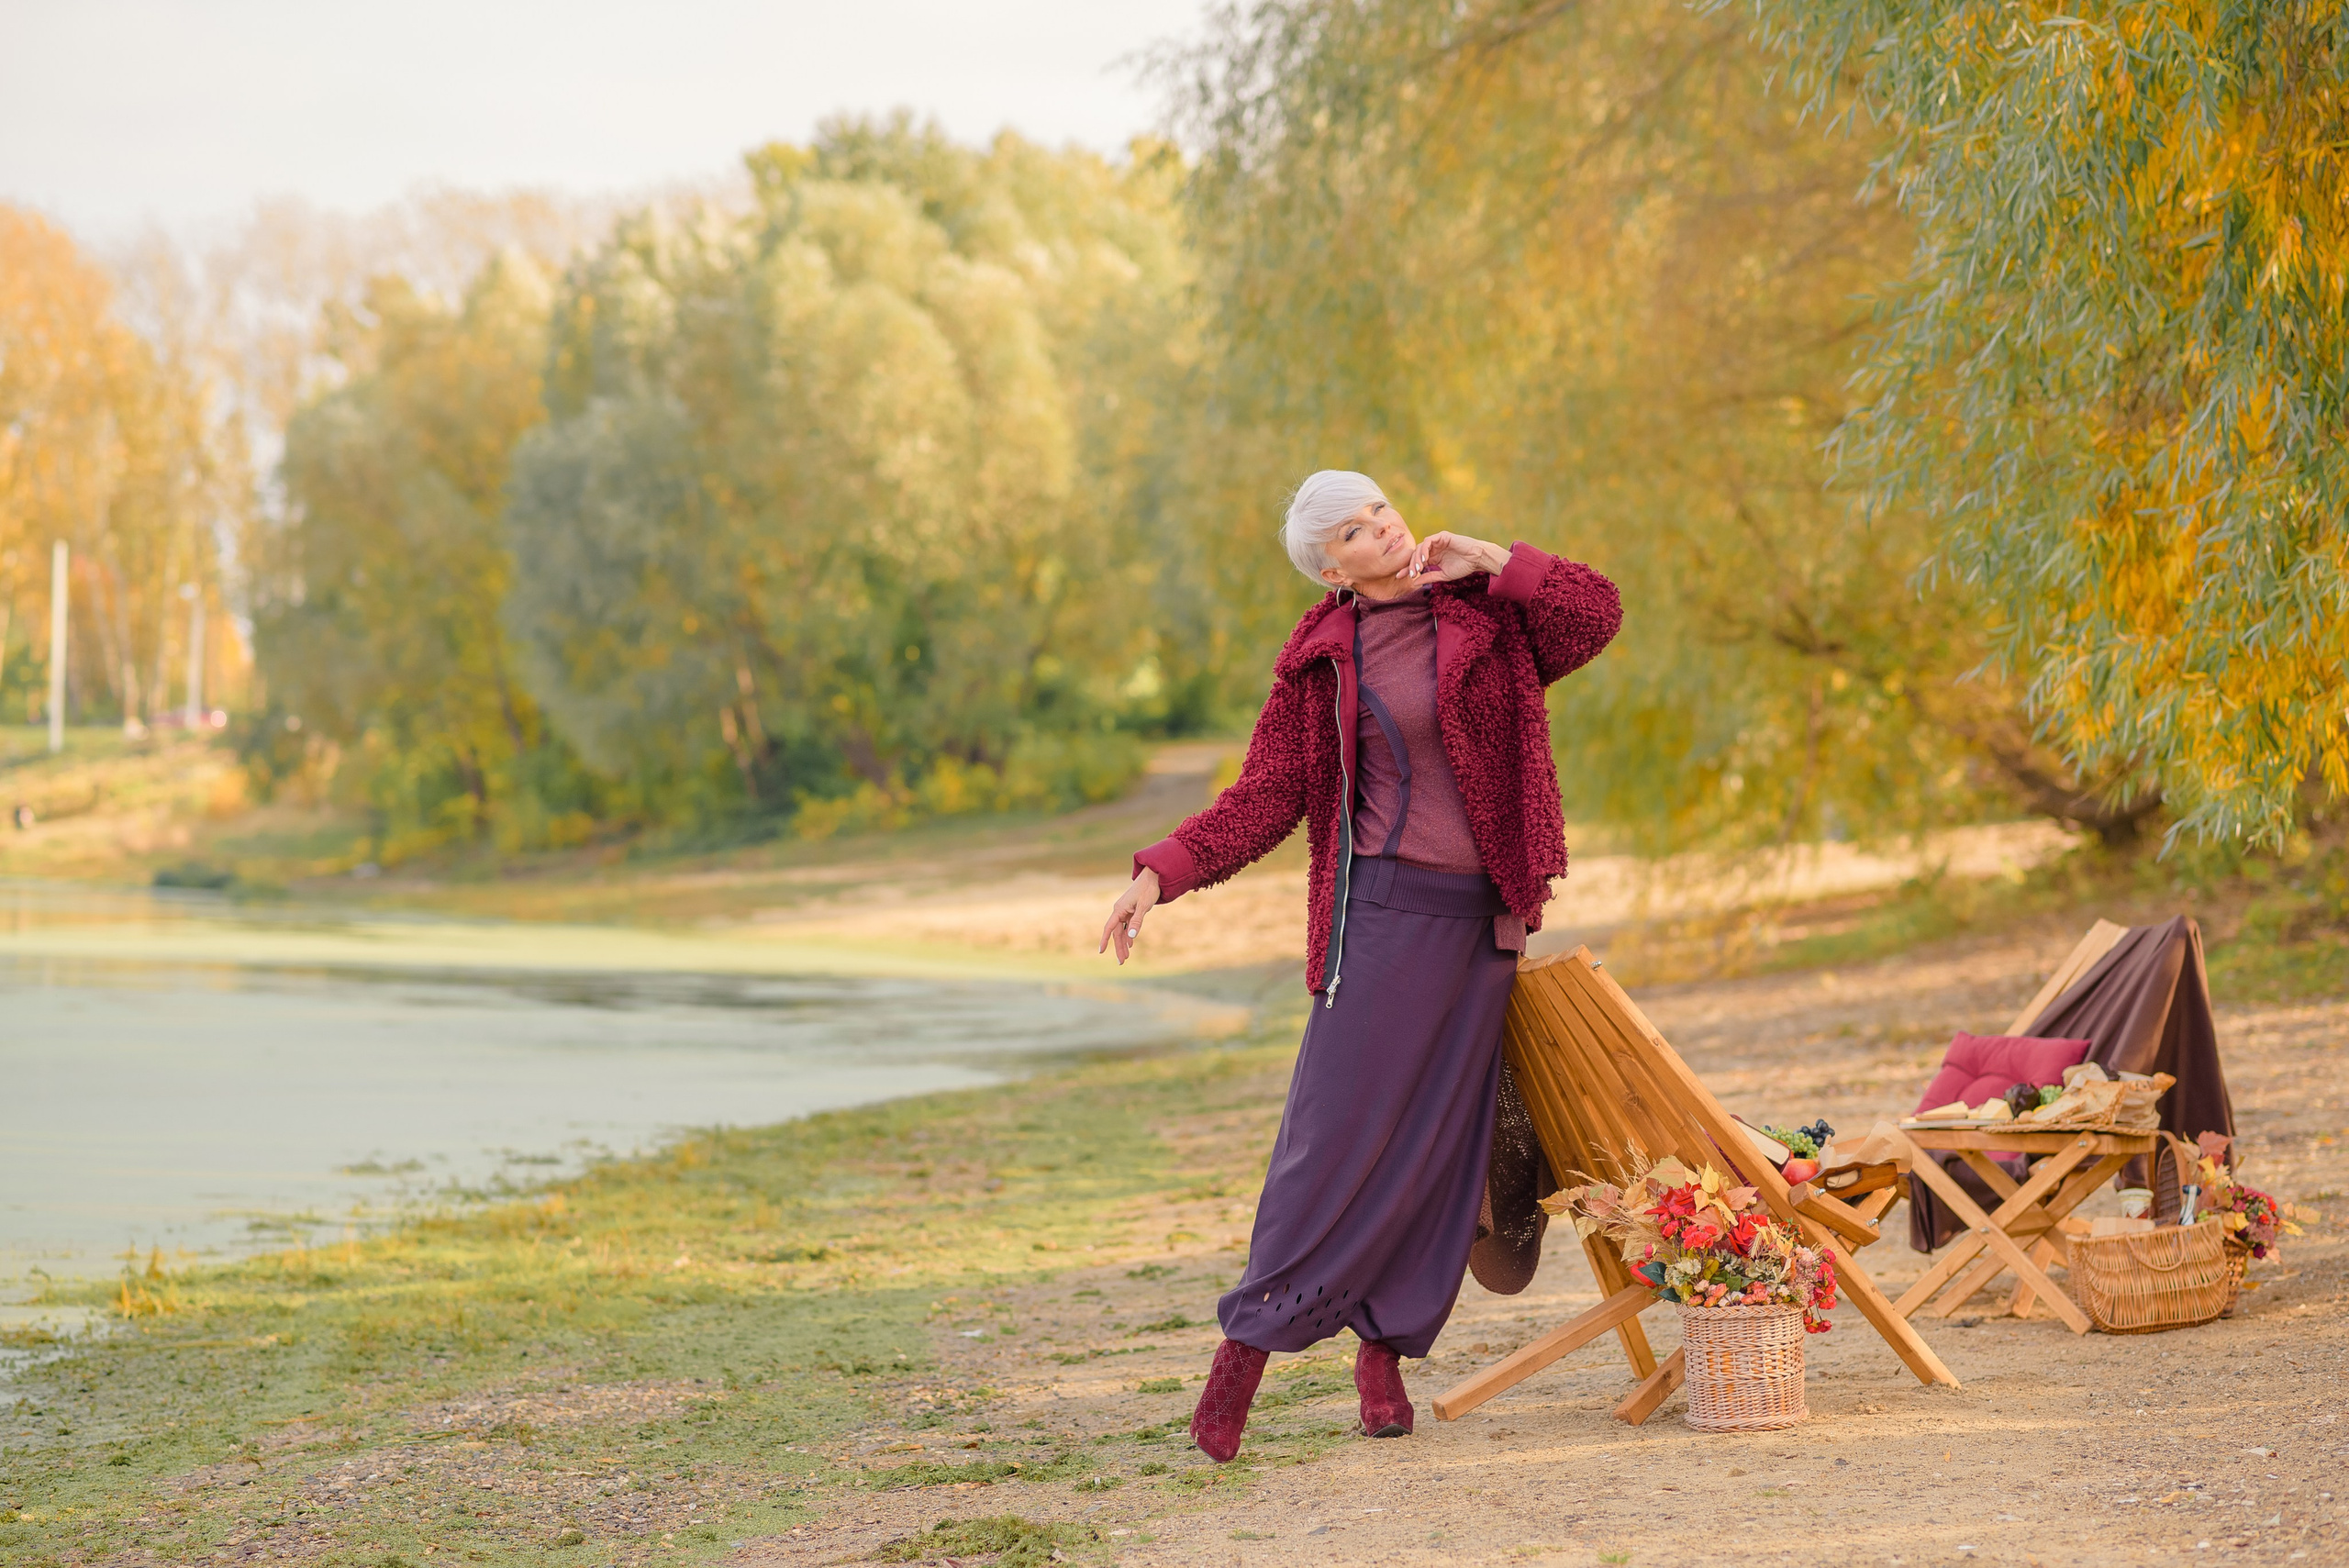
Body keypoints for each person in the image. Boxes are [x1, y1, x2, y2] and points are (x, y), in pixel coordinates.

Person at [1097, 470, 1620, 1462]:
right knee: (1329, 1139)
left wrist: (1498, 560)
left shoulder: (1487, 618)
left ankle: (1381, 1356)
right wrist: (1158, 874)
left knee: (1437, 1149)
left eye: (1379, 510)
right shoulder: (1320, 660)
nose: (1382, 528)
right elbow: (1262, 797)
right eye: (1353, 529)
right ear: (1327, 565)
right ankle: (1244, 1348)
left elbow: (1596, 612)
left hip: (1481, 923)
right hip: (1376, 917)